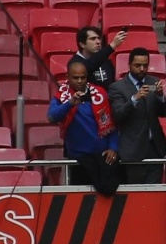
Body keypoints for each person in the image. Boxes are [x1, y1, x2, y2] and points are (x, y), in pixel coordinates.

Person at [51, 59, 120, 194]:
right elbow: (52, 117)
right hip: (78, 160)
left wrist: (113, 147)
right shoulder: (62, 96)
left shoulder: (100, 94)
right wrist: (69, 103)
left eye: (83, 77)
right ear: (67, 77)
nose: (79, 81)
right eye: (75, 78)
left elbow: (112, 123)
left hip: (103, 158)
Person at [109, 48, 166, 183]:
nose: (142, 69)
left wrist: (160, 97)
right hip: (133, 150)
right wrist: (134, 99)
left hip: (155, 148)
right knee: (135, 195)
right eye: (138, 65)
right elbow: (118, 115)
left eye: (145, 65)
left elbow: (164, 112)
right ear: (129, 65)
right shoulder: (117, 87)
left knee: (154, 193)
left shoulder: (154, 81)